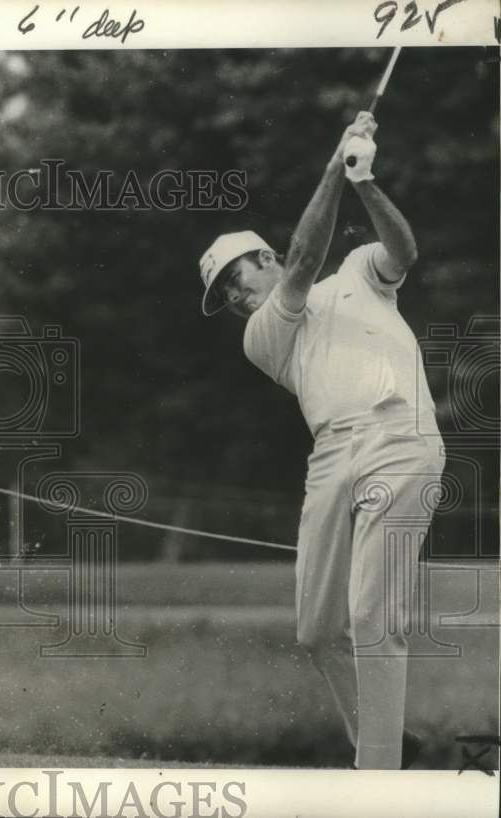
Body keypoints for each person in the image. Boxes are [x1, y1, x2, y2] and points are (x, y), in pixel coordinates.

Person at [198, 112, 445, 770]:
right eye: (222, 295)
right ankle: (385, 745)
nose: (232, 298)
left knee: (372, 616)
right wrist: (337, 162)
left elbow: (403, 251)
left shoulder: (359, 272)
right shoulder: (264, 335)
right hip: (332, 456)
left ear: (264, 259)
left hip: (401, 439)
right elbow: (306, 259)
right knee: (316, 629)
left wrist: (363, 178)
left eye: (233, 280)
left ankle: (379, 779)